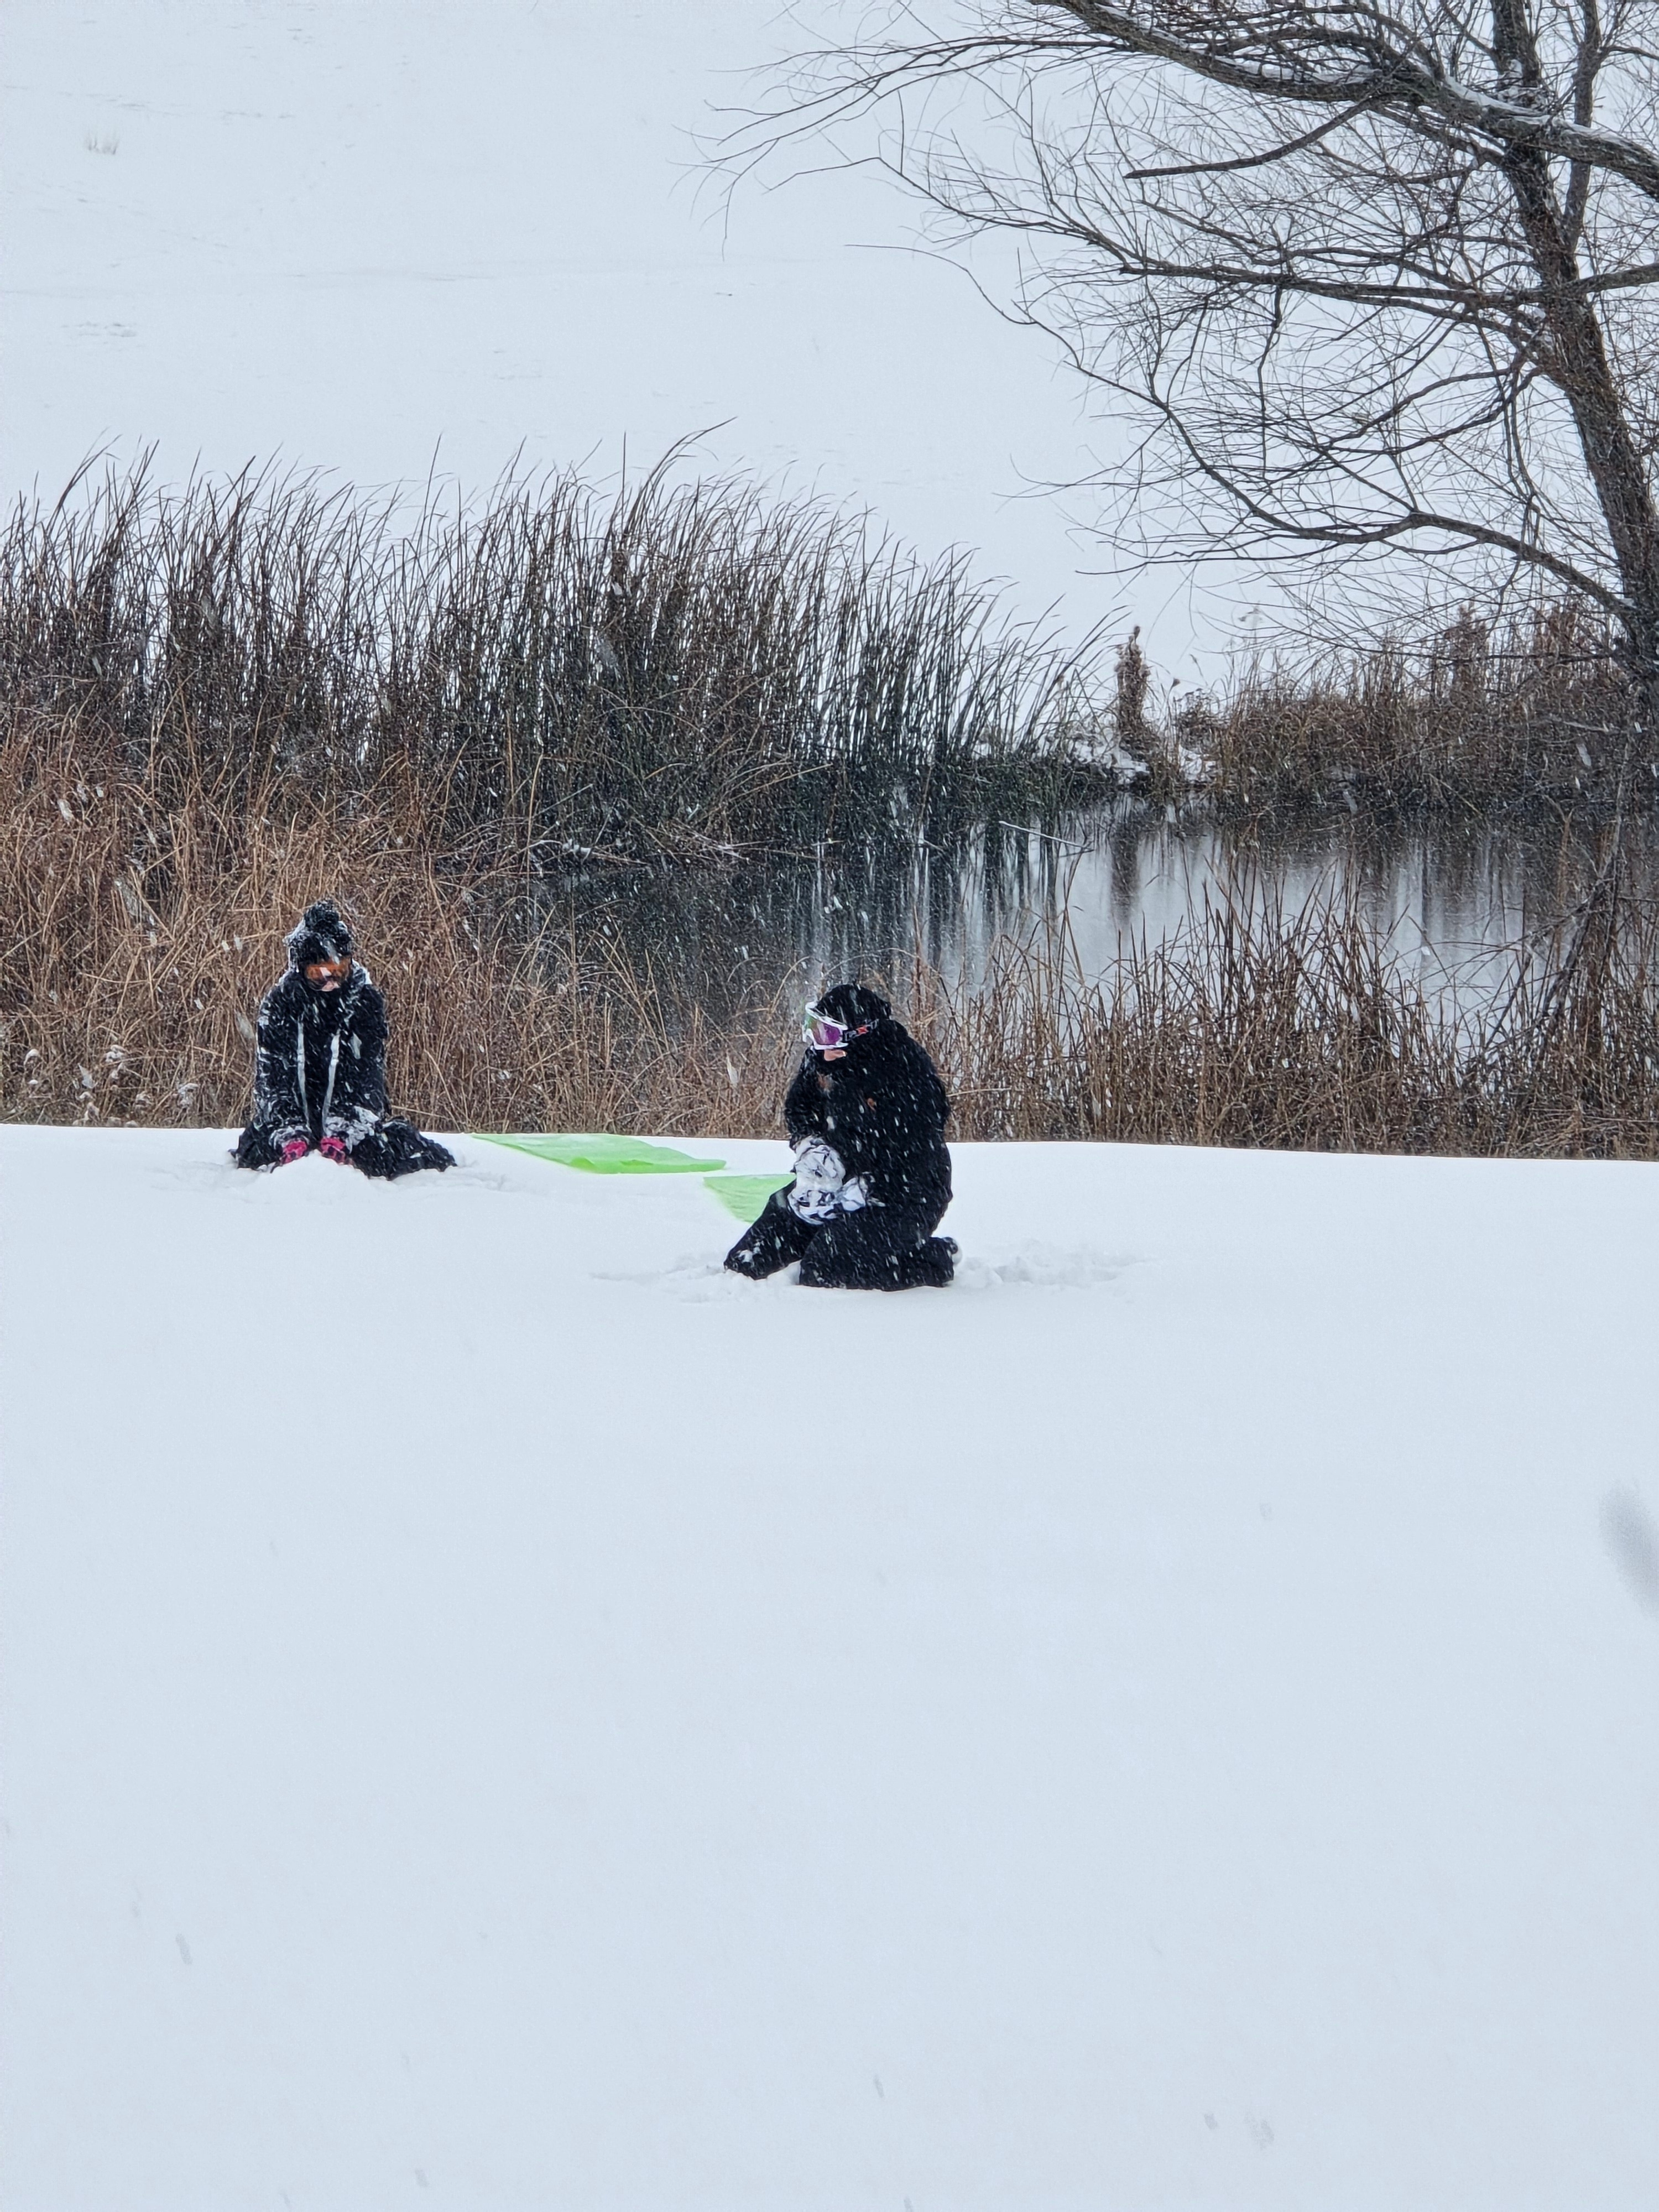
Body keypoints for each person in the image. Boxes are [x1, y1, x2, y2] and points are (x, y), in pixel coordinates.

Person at [725, 982, 957, 1289]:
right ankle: (829, 1230)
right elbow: (799, 1107)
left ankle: (934, 1258)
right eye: (815, 1029)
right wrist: (810, 1147)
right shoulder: (823, 1059)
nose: (818, 1042)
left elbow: (914, 1152)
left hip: (902, 1194)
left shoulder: (906, 1074)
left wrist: (858, 1185)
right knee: (745, 1262)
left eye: (828, 1033)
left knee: (825, 1270)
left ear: (860, 1034)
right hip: (831, 1182)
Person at [232, 900, 454, 1180]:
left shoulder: (364, 1003)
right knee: (255, 1156)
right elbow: (272, 1080)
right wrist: (289, 1131)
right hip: (292, 1126)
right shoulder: (280, 1005)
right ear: (302, 968)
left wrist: (344, 1132)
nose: (331, 983)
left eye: (339, 971)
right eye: (321, 974)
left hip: (349, 1128)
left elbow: (367, 1078)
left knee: (382, 1156)